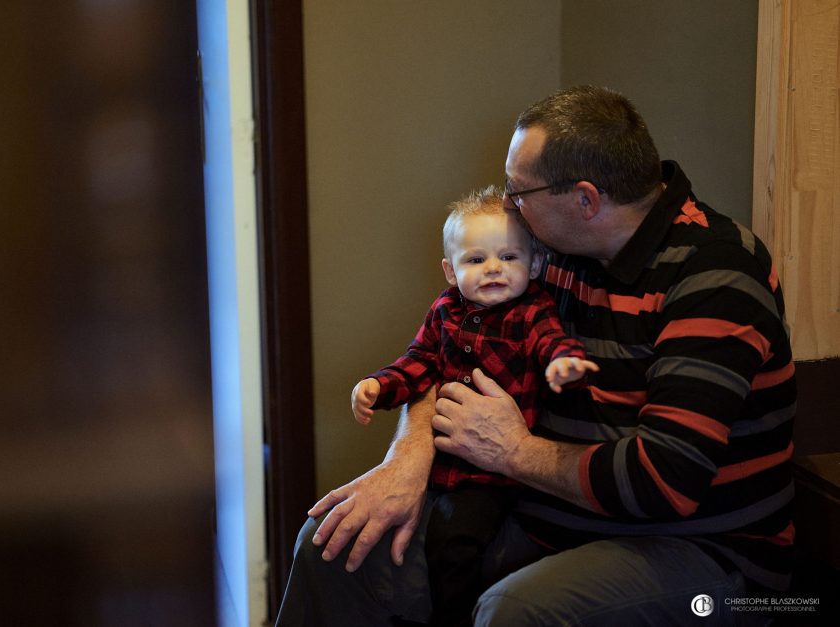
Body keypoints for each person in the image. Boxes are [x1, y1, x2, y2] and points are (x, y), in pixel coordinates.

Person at [275, 85, 795, 626]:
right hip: (547, 514)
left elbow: (663, 482)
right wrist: (406, 461)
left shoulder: (715, 277)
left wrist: (515, 453)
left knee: (517, 611)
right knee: (332, 540)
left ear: (586, 200)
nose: (506, 205)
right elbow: (453, 344)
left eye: (518, 190)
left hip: (703, 553)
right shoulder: (553, 253)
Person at [350, 187, 597, 625]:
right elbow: (418, 363)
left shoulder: (532, 311)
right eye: (475, 260)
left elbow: (551, 342)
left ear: (535, 264)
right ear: (451, 270)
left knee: (454, 542)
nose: (494, 269)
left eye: (509, 257)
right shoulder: (445, 311)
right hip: (443, 464)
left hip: (494, 474)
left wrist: (563, 363)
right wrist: (378, 386)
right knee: (401, 536)